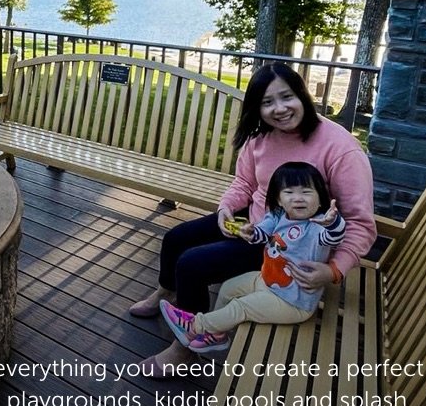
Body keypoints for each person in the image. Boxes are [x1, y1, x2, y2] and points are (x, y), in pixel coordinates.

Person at [128, 62, 376, 377]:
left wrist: (334, 270)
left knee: (192, 264)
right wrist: (226, 209)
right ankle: (168, 291)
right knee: (176, 238)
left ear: (302, 95)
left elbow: (360, 223)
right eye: (267, 102)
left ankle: (187, 349)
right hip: (255, 223)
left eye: (286, 97)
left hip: (289, 246)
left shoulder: (340, 149)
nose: (279, 109)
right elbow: (244, 185)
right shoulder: (261, 138)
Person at [159, 162, 345, 353]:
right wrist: (250, 232)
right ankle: (217, 335)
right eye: (289, 192)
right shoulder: (278, 215)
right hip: (266, 280)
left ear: (321, 199)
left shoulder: (317, 227)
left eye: (306, 192)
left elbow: (333, 236)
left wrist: (334, 222)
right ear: (279, 200)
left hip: (293, 301)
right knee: (228, 288)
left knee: (241, 307)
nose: (298, 198)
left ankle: (196, 326)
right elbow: (262, 234)